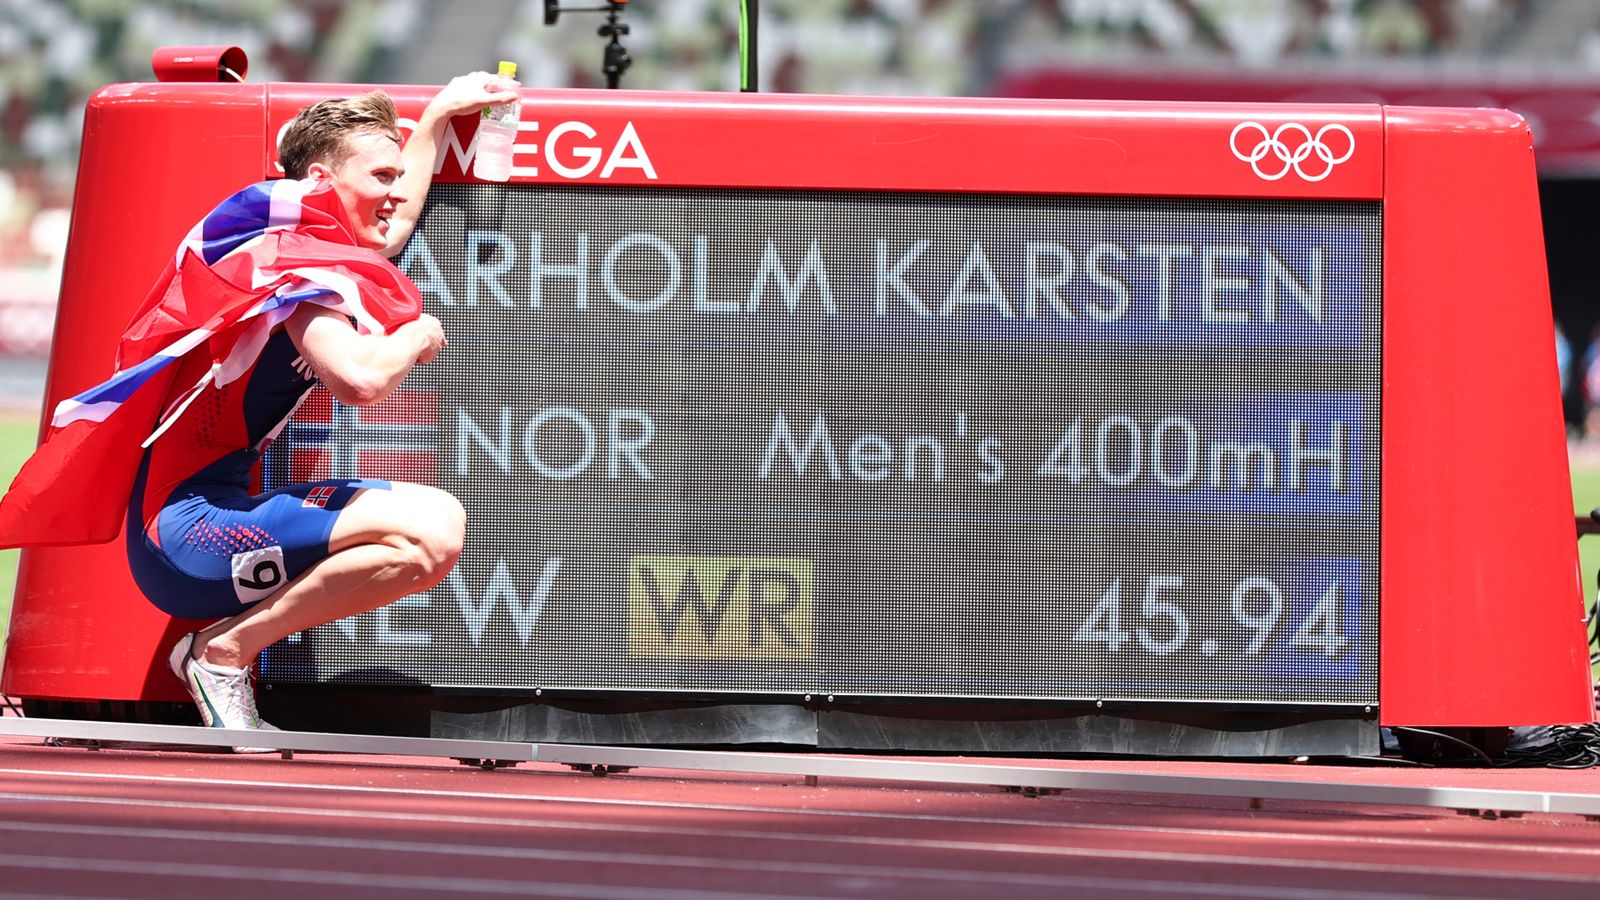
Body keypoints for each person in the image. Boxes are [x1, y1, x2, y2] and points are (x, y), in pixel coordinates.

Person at [4, 73, 516, 747]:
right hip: (188, 539)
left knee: (431, 536)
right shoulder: (301, 281)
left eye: (398, 173)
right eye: (381, 175)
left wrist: (440, 117)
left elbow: (389, 230)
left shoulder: (306, 250)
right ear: (320, 183)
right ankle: (221, 655)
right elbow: (360, 382)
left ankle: (222, 651)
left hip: (196, 528)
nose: (397, 192)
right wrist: (416, 336)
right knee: (435, 529)